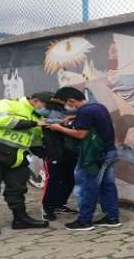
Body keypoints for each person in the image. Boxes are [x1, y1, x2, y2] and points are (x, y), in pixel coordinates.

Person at [0, 92, 51, 235]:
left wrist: (48, 153)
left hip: (15, 159)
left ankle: (20, 219)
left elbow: (34, 141)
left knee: (17, 188)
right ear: (36, 100)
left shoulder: (38, 117)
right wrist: (34, 123)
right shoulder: (8, 104)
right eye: (46, 106)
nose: (46, 110)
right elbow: (3, 121)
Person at [48, 87, 121, 231]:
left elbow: (81, 134)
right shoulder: (97, 106)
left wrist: (59, 128)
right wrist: (74, 118)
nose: (67, 107)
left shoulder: (85, 111)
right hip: (109, 152)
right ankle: (112, 217)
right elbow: (94, 121)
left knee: (86, 187)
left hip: (92, 156)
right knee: (107, 186)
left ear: (71, 100)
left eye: (66, 104)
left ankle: (84, 221)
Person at [39, 91, 79, 221]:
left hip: (69, 152)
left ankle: (59, 204)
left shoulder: (67, 113)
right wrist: (61, 122)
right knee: (53, 180)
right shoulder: (44, 114)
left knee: (70, 179)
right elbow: (45, 122)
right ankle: (47, 207)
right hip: (54, 153)